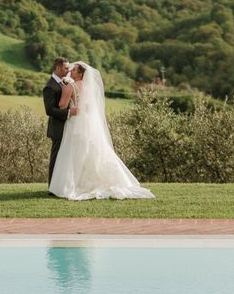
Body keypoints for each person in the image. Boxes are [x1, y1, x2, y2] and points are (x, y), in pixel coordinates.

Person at [48, 61, 155, 200]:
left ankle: (73, 184)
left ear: (80, 73)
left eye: (73, 70)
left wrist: (64, 92)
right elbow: (89, 108)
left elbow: (62, 106)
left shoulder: (70, 86)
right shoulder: (89, 88)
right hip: (88, 123)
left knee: (73, 153)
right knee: (88, 152)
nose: (70, 72)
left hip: (75, 123)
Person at [42, 58, 78, 188]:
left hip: (68, 126)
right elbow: (49, 110)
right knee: (56, 158)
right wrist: (69, 113)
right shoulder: (50, 86)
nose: (68, 70)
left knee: (65, 158)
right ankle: (52, 187)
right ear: (57, 68)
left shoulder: (64, 83)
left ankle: (63, 185)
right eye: (66, 68)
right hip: (58, 128)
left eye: (69, 68)